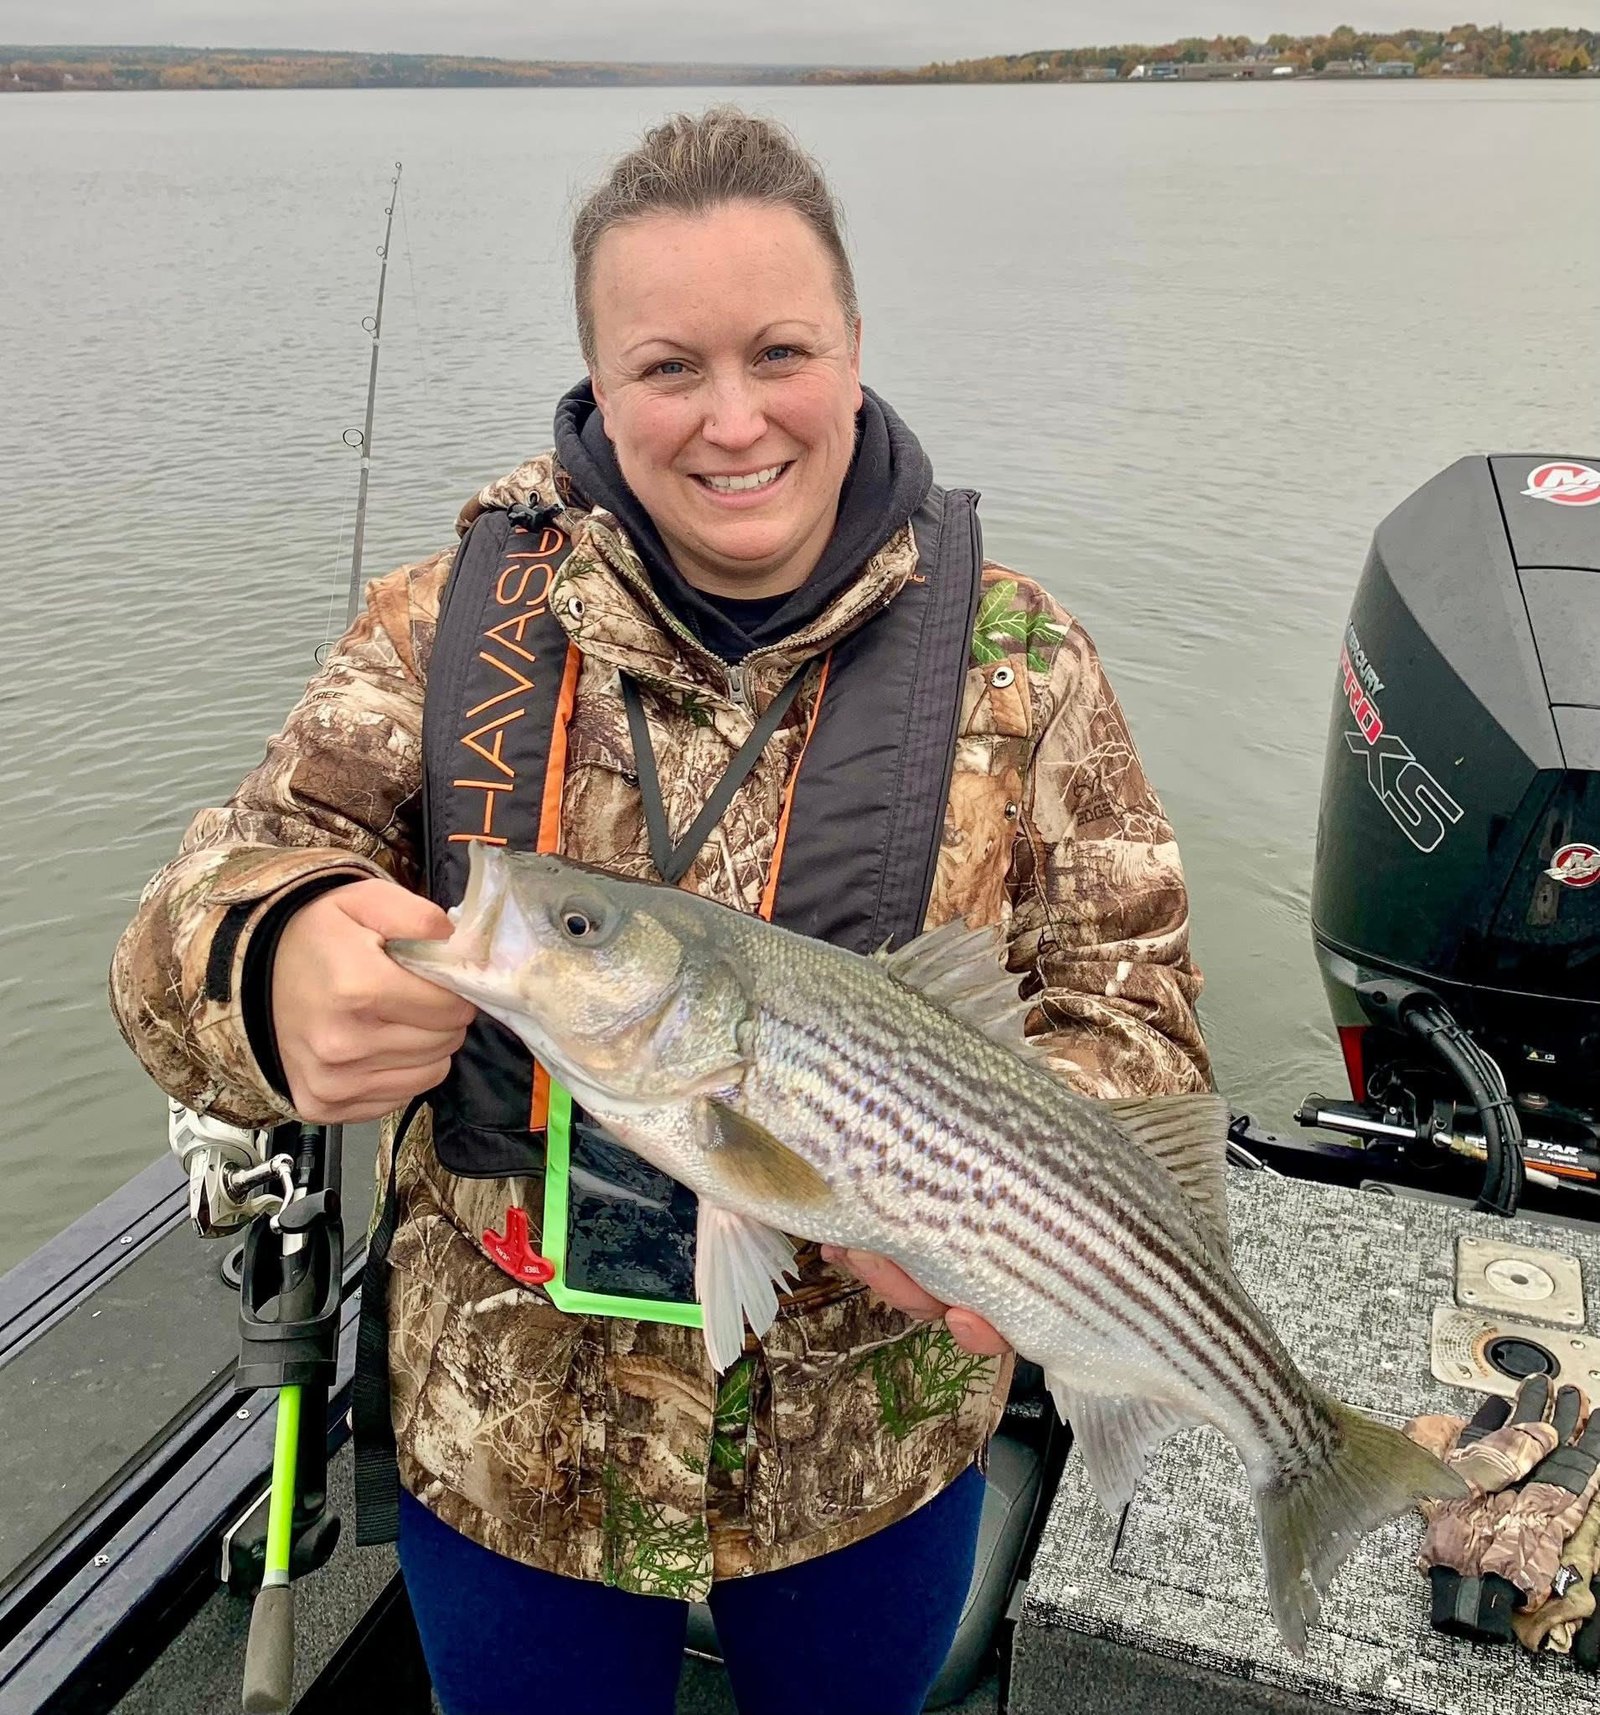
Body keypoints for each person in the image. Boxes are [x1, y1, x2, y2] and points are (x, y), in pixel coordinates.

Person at [111, 108, 1211, 1715]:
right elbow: (190, 916)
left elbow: (1140, 1005)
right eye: (667, 368)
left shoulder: (1020, 664)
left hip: (870, 1461)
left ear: (854, 350)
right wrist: (268, 961)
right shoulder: (444, 627)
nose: (733, 418)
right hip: (508, 1456)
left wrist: (989, 1170)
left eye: (780, 352)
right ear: (597, 386)